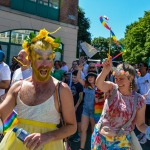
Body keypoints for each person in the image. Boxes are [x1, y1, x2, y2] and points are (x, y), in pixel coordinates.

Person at [0, 29, 76, 150]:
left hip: (49, 145)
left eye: (49, 58)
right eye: (40, 58)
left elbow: (72, 126)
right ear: (30, 59)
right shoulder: (18, 87)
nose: (45, 64)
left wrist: (47, 136)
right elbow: (1, 115)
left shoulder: (61, 89)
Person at [91, 58, 150, 149]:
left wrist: (148, 130)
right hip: (99, 139)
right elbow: (99, 83)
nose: (118, 82)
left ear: (131, 78)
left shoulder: (139, 100)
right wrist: (105, 70)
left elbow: (140, 124)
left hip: (121, 143)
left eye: (121, 79)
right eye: (116, 78)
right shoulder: (112, 89)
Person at [77, 65, 97, 150]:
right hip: (85, 110)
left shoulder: (98, 86)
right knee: (83, 130)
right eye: (89, 76)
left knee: (93, 131)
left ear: (95, 78)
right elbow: (78, 78)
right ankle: (81, 148)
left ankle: (94, 147)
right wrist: (79, 69)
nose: (90, 78)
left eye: (92, 76)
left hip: (94, 111)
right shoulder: (86, 85)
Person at [70, 70, 84, 142]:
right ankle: (73, 134)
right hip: (72, 105)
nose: (73, 78)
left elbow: (81, 97)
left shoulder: (80, 85)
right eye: (72, 77)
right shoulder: (72, 84)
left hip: (78, 106)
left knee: (79, 121)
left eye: (75, 77)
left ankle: (79, 135)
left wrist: (76, 106)